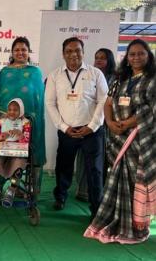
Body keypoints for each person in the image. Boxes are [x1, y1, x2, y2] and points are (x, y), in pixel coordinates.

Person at [84, 39, 156, 244]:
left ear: (148, 55)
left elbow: (150, 109)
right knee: (116, 180)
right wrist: (109, 122)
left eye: (141, 53)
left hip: (140, 139)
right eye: (132, 54)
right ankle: (116, 220)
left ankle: (136, 226)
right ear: (127, 57)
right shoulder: (120, 79)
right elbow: (108, 102)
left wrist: (126, 124)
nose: (136, 57)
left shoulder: (152, 79)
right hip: (117, 136)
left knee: (134, 181)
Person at [45, 37, 108, 218]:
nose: (73, 54)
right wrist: (64, 127)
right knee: (63, 166)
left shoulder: (95, 73)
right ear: (63, 54)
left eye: (77, 50)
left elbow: (103, 101)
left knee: (94, 170)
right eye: (69, 51)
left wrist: (93, 126)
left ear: (83, 52)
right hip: (68, 132)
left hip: (92, 132)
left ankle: (97, 208)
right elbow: (50, 103)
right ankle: (61, 197)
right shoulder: (55, 76)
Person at [0, 37, 46, 205]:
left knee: (20, 155)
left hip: (26, 124)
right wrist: (1, 116)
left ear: (28, 52)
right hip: (3, 124)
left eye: (23, 49)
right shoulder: (4, 72)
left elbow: (37, 100)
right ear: (12, 52)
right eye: (17, 49)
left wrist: (26, 118)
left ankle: (14, 189)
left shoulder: (35, 72)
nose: (20, 52)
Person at [76, 48, 116, 202]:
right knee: (83, 159)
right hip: (87, 124)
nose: (99, 60)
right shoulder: (89, 74)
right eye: (97, 57)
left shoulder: (114, 78)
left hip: (106, 125)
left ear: (109, 60)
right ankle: (82, 190)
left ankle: (100, 192)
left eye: (103, 58)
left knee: (100, 161)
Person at [0, 98, 30, 207]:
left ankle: (11, 191)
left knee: (18, 168)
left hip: (17, 154)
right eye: (10, 109)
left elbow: (26, 140)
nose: (12, 112)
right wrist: (1, 137)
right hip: (2, 151)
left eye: (15, 110)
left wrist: (20, 134)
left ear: (21, 111)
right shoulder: (1, 121)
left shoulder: (25, 122)